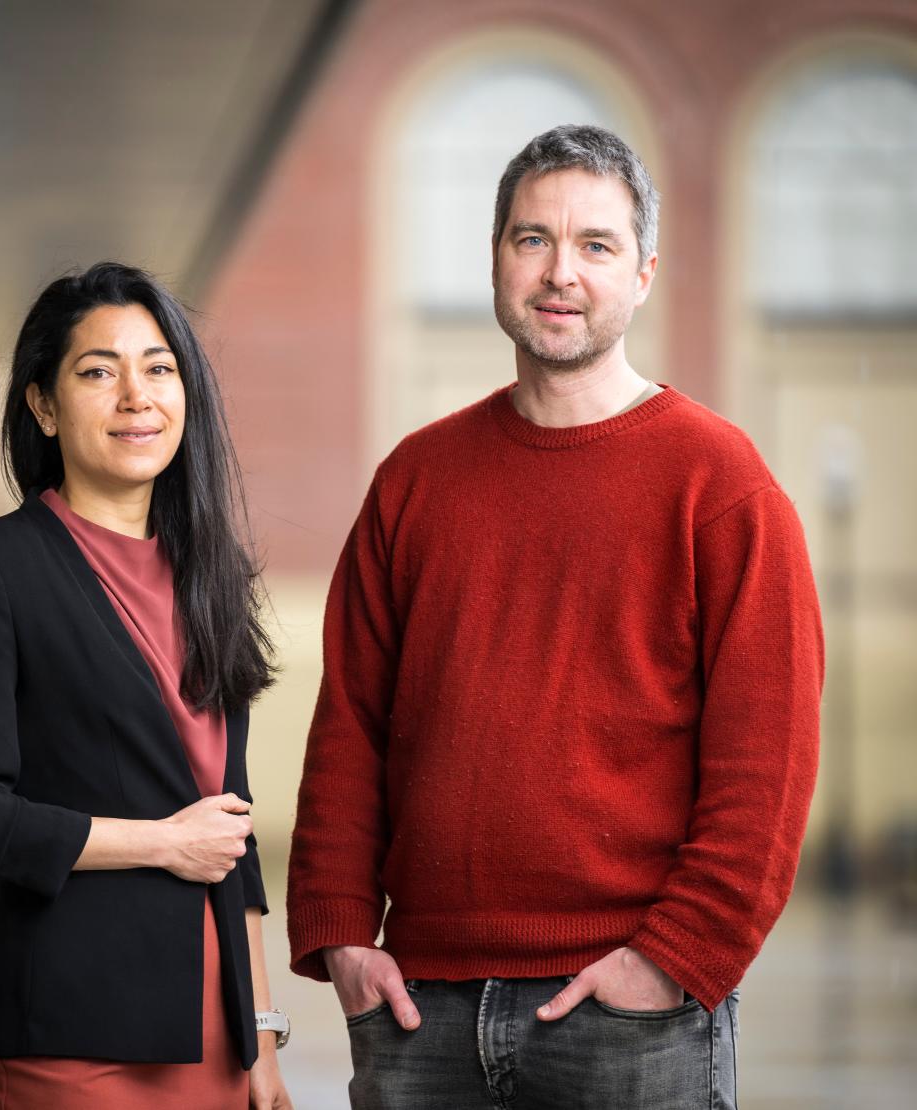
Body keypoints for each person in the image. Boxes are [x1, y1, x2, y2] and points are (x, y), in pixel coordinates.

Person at [286, 124, 822, 1109]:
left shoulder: (721, 486)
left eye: (595, 245)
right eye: (531, 240)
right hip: (420, 1012)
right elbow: (351, 721)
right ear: (495, 260)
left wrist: (673, 961)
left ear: (645, 272)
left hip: (630, 1021)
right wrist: (344, 936)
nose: (558, 273)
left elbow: (768, 760)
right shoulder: (415, 480)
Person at [0, 262, 293, 1109]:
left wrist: (261, 1033)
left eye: (158, 368)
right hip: (73, 1032)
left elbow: (232, 829)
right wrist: (157, 842)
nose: (135, 396)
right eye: (97, 371)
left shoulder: (210, 574)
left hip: (215, 1036)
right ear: (42, 404)